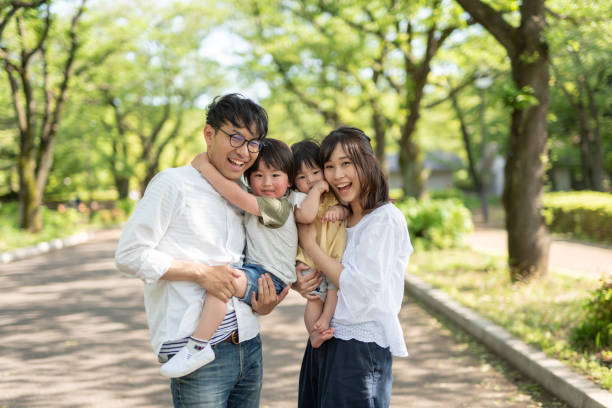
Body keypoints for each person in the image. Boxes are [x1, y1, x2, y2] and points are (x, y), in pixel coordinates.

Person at [115, 93, 284, 408]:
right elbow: (129, 255)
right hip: (196, 354)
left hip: (249, 345)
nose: (245, 151)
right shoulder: (173, 184)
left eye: (253, 143)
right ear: (209, 134)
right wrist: (200, 273)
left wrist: (264, 301)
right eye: (236, 138)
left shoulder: (249, 194)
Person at [160, 138, 323, 378]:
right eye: (258, 176)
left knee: (221, 282)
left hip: (271, 277)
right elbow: (235, 189)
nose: (267, 183)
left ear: (289, 179)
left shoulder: (279, 206)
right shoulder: (259, 197)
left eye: (276, 175)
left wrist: (204, 167)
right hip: (258, 271)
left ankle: (196, 347)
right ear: (248, 178)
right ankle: (198, 345)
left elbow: (236, 195)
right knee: (222, 281)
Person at [296, 127, 413, 408]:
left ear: (368, 162)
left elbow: (361, 289)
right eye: (329, 167)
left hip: (359, 349)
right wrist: (300, 283)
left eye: (346, 163)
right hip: (324, 342)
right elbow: (319, 273)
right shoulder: (336, 218)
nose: (337, 175)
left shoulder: (384, 220)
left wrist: (310, 246)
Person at [291, 140, 348, 348]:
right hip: (309, 259)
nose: (310, 180)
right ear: (294, 182)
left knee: (333, 289)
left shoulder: (335, 194)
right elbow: (306, 216)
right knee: (314, 297)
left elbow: (346, 211)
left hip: (332, 255)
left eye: (315, 173)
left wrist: (339, 211)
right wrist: (315, 192)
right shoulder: (298, 198)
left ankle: (325, 319)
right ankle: (313, 333)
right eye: (302, 177)